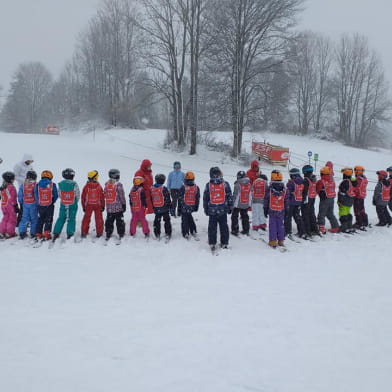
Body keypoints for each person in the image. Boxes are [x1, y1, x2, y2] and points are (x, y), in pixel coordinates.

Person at [203, 166, 233, 252]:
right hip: (223, 210)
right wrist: (230, 206)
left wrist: (206, 208)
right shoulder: (225, 184)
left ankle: (212, 243)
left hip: (212, 211)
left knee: (212, 227)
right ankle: (224, 242)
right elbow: (229, 196)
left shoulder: (208, 185)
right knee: (224, 227)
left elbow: (206, 198)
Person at [52, 168, 80, 242]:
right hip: (73, 204)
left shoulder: (60, 184)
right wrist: (75, 200)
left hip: (63, 204)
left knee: (61, 218)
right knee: (71, 219)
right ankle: (70, 233)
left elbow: (59, 194)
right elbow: (77, 194)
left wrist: (64, 200)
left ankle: (56, 232)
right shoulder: (74, 184)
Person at [263, 170, 288, 248]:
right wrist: (287, 209)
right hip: (281, 210)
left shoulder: (269, 188)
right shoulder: (284, 189)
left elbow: (266, 200)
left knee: (272, 225)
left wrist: (265, 209)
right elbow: (286, 200)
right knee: (280, 225)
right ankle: (281, 240)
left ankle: (273, 241)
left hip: (272, 210)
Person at [81, 170, 105, 239]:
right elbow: (102, 197)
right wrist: (103, 206)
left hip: (88, 205)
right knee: (99, 219)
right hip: (98, 205)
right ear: (95, 178)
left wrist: (83, 206)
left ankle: (84, 232)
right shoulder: (99, 187)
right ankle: (99, 233)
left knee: (86, 219)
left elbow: (83, 197)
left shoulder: (86, 186)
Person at [35, 170, 58, 241]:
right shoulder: (52, 184)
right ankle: (47, 233)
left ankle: (38, 233)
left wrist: (39, 202)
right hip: (49, 205)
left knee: (40, 218)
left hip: (40, 205)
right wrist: (52, 201)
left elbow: (36, 194)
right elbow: (56, 195)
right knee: (49, 219)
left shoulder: (37, 185)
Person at [104, 169, 126, 241]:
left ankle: (108, 232)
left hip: (109, 208)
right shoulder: (119, 185)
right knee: (120, 222)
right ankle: (121, 233)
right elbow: (121, 196)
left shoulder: (107, 184)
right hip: (118, 208)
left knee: (109, 221)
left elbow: (105, 194)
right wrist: (124, 204)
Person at [316, 166, 339, 234]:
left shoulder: (321, 181)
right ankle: (335, 226)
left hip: (324, 199)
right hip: (331, 198)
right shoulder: (332, 180)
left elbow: (317, 189)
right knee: (330, 213)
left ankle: (321, 227)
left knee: (321, 214)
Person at [284, 167, 305, 239]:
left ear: (293, 175)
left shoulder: (291, 183)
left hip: (291, 202)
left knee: (288, 217)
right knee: (297, 216)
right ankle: (302, 231)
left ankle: (287, 231)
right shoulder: (302, 181)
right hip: (298, 201)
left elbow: (288, 192)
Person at [178, 171, 200, 239]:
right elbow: (197, 198)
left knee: (185, 219)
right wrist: (196, 206)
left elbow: (180, 198)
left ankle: (185, 232)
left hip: (184, 206)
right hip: (192, 206)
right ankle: (193, 230)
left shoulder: (183, 187)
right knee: (190, 217)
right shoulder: (196, 187)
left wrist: (179, 208)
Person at [13, 153, 34, 225]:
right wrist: (24, 180)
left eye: (31, 161)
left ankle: (28, 221)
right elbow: (15, 176)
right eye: (29, 161)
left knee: (29, 206)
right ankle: (19, 222)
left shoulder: (30, 166)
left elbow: (32, 173)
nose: (30, 162)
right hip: (22, 187)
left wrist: (33, 181)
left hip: (30, 187)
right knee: (23, 205)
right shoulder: (18, 166)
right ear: (25, 160)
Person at [17, 170, 38, 239]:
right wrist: (38, 203)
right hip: (33, 204)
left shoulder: (23, 185)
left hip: (25, 204)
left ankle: (22, 232)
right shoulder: (35, 184)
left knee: (24, 218)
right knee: (34, 219)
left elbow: (20, 195)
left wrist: (21, 203)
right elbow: (36, 195)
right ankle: (33, 232)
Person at [151, 173, 172, 240]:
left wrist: (153, 207)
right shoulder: (164, 188)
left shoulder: (152, 188)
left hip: (156, 208)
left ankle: (157, 233)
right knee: (167, 221)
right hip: (165, 208)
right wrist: (169, 205)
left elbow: (151, 198)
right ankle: (168, 233)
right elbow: (168, 198)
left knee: (157, 221)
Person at [231, 170, 251, 236]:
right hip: (245, 203)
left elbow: (235, 195)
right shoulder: (249, 184)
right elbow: (250, 195)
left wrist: (233, 205)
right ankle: (246, 229)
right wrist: (249, 204)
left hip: (238, 204)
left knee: (234, 216)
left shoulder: (237, 184)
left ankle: (235, 230)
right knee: (245, 216)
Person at [301, 165, 319, 237]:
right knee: (311, 214)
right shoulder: (313, 178)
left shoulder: (306, 180)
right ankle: (314, 229)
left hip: (306, 199)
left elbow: (304, 190)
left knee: (305, 214)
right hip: (312, 198)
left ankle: (307, 230)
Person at [337, 168, 357, 233]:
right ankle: (349, 226)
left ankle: (344, 227)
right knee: (348, 213)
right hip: (350, 200)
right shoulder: (352, 181)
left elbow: (342, 192)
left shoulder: (345, 182)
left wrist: (340, 201)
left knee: (343, 214)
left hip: (344, 200)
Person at [0, 171, 18, 239]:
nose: (14, 180)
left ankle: (2, 231)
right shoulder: (11, 187)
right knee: (12, 219)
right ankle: (10, 232)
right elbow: (13, 197)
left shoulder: (2, 187)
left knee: (5, 218)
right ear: (10, 179)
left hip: (4, 205)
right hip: (10, 206)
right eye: (13, 179)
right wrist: (15, 205)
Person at [353, 165, 369, 230]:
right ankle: (364, 221)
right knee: (361, 209)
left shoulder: (359, 179)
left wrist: (352, 190)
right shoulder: (364, 178)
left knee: (357, 210)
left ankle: (359, 223)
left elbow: (357, 188)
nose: (355, 172)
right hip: (362, 196)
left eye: (356, 170)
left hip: (358, 196)